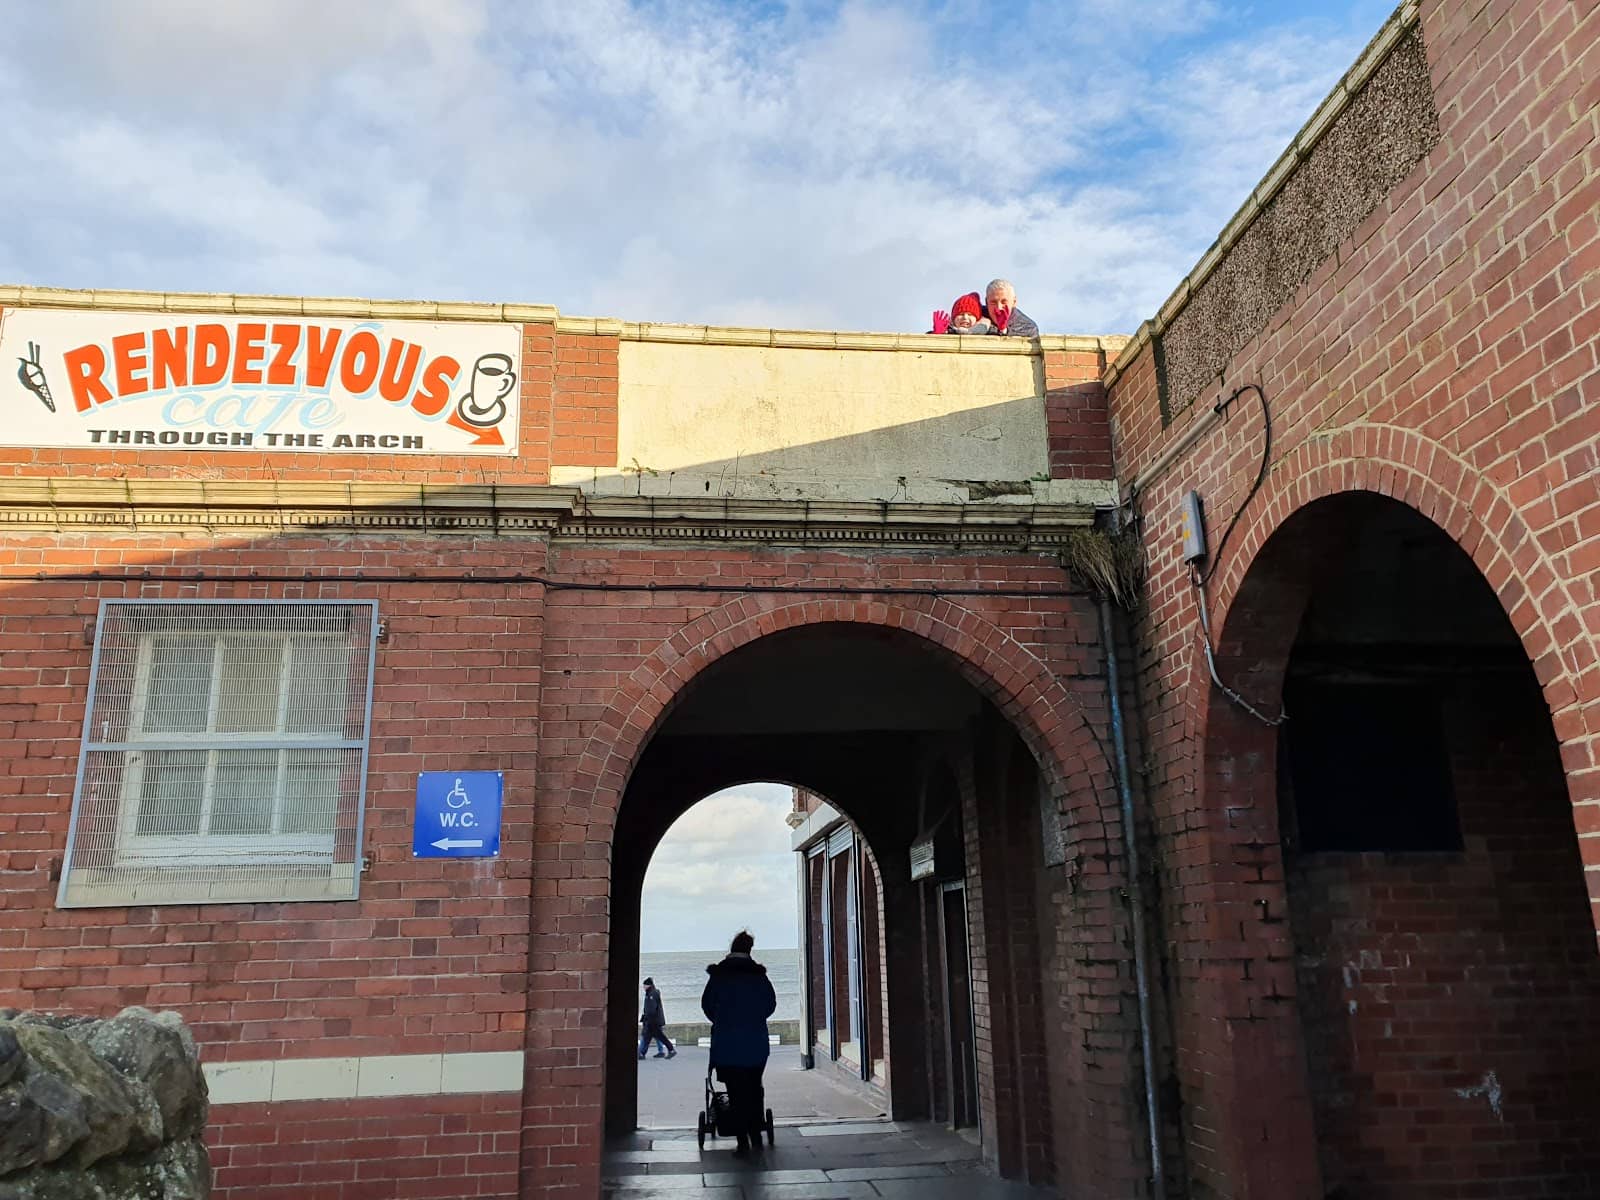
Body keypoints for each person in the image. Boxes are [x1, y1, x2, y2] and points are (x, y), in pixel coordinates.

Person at [701, 930, 777, 1156]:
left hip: (727, 1043)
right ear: (749, 950)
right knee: (754, 1088)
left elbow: (707, 1005)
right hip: (755, 1042)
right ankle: (756, 1136)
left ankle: (742, 1140)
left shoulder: (719, 975)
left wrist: (722, 1020)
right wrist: (753, 1018)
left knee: (735, 1092)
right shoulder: (758, 976)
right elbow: (770, 1004)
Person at [638, 977, 676, 1059]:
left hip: (653, 1021)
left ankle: (671, 1050)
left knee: (656, 1036)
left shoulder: (651, 994)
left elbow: (651, 1009)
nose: (643, 987)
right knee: (648, 1037)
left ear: (648, 985)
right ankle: (641, 1053)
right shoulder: (651, 993)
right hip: (653, 1021)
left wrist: (647, 1019)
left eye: (644, 985)